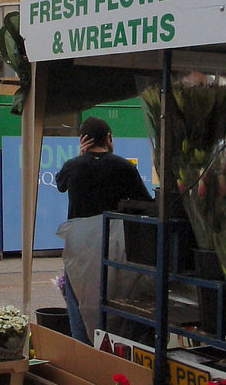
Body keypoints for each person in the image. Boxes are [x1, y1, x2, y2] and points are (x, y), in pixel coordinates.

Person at [55, 116, 153, 343]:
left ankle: (85, 352)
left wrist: (81, 157)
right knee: (117, 302)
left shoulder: (73, 167)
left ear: (83, 140)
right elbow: (146, 203)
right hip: (116, 251)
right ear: (108, 137)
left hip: (79, 254)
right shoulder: (124, 167)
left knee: (78, 304)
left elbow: (60, 184)